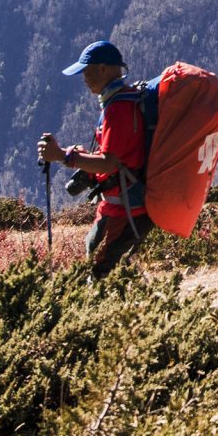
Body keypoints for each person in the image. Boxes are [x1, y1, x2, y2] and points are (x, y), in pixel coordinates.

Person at [37, 39, 157, 279]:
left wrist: (63, 156)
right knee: (97, 258)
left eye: (87, 70)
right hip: (116, 205)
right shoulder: (119, 101)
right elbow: (114, 157)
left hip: (127, 208)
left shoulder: (118, 109)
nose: (84, 78)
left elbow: (109, 163)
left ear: (103, 69)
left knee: (102, 272)